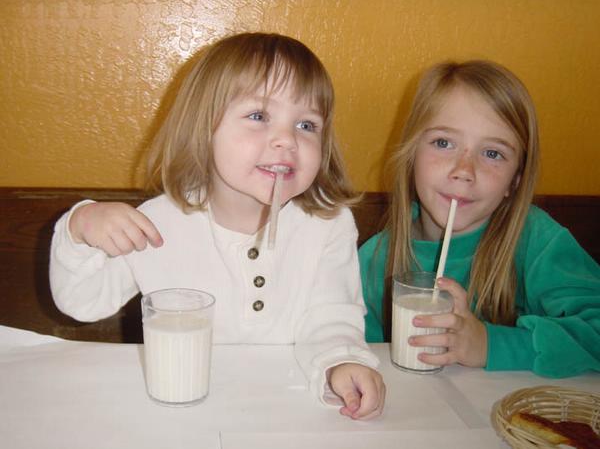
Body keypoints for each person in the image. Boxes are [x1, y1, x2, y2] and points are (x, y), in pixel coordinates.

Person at [50, 32, 385, 419]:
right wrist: (80, 227)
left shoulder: (327, 224)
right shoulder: (160, 222)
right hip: (183, 408)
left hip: (290, 410)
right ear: (204, 129)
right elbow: (83, 303)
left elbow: (331, 316)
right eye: (259, 116)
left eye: (307, 125)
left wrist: (341, 361)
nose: (286, 140)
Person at [359, 60, 600, 377]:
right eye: (443, 143)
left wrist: (489, 344)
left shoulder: (536, 241)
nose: (464, 170)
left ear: (514, 180)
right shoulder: (374, 260)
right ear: (411, 155)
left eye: (492, 153)